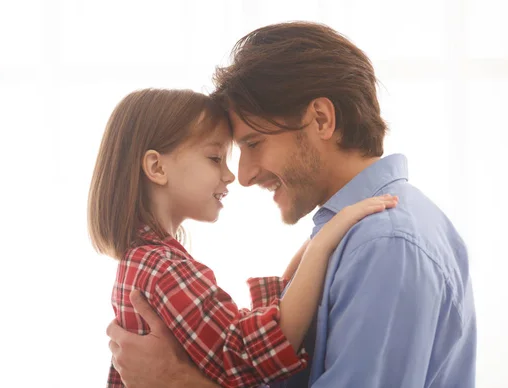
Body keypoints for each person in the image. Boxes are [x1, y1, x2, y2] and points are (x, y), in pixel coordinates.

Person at [106, 22, 477, 388]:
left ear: (320, 119)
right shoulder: (359, 231)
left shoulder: (385, 245)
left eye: (253, 144)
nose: (244, 175)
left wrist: (176, 382)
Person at [88, 88, 398, 387]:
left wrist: (320, 234)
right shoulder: (163, 268)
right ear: (157, 167)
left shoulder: (148, 260)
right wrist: (321, 245)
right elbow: (250, 356)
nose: (231, 175)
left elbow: (232, 333)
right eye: (214, 158)